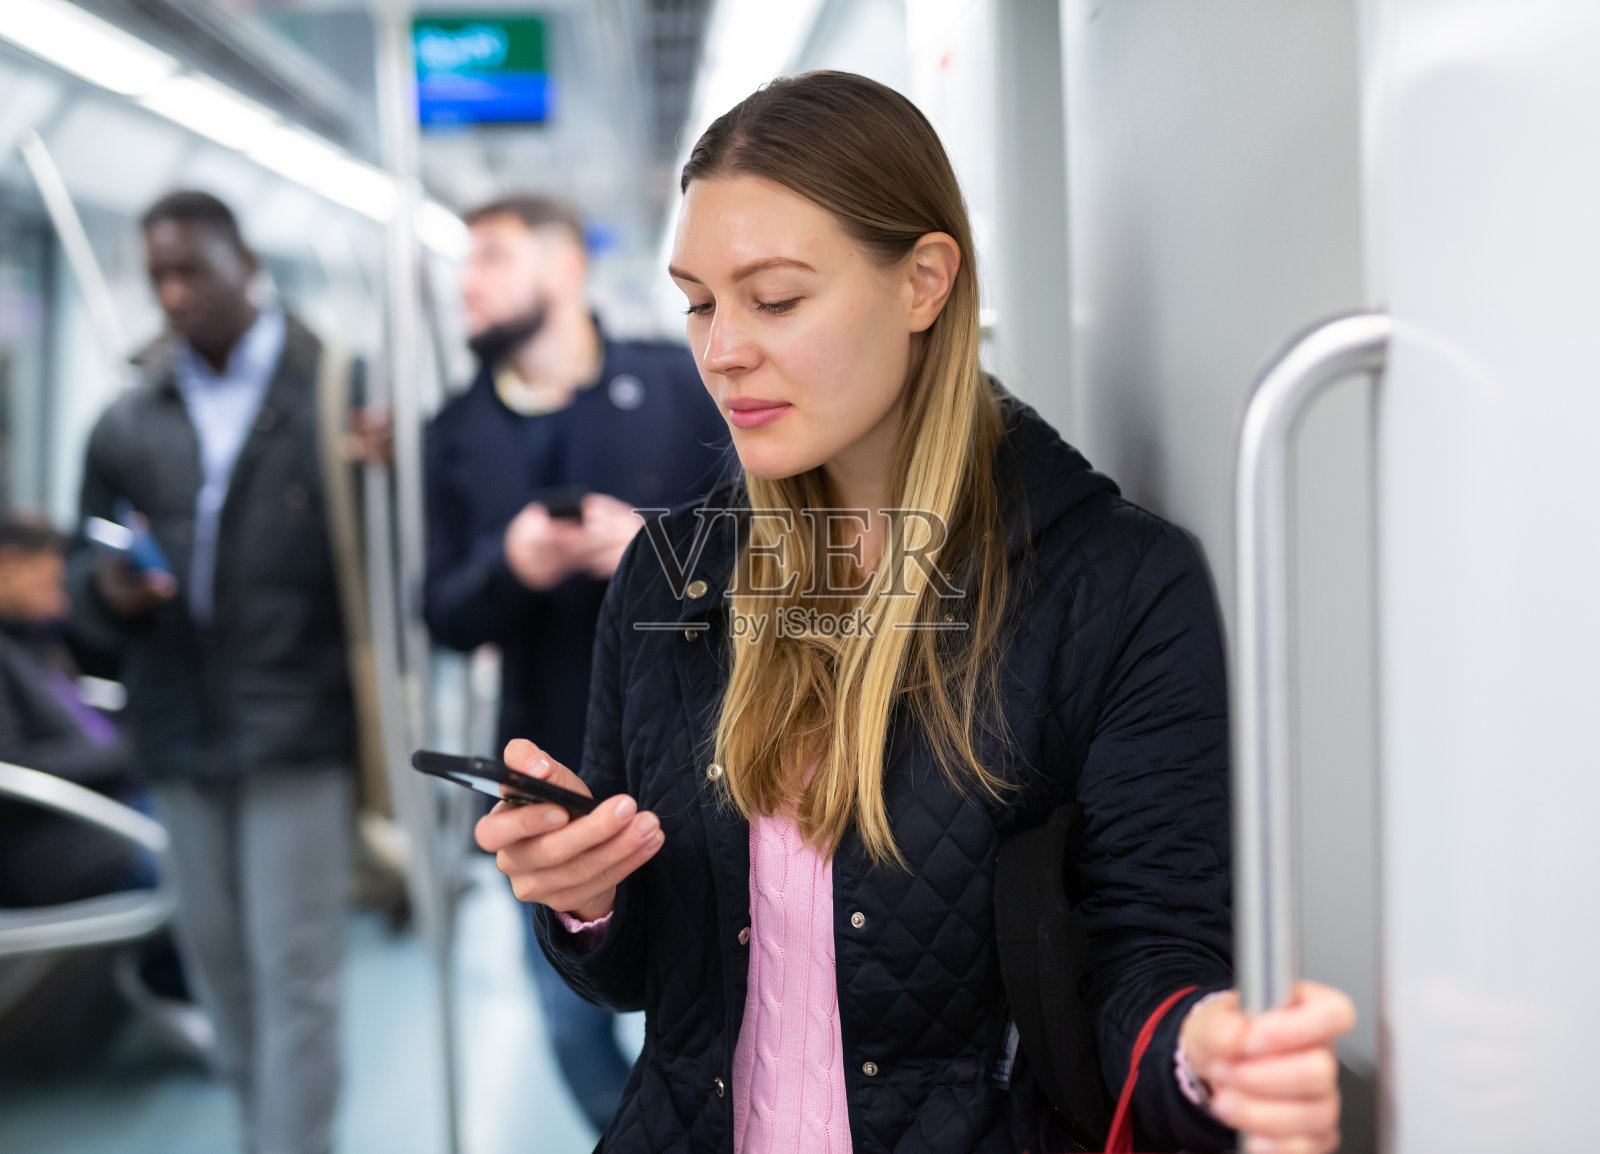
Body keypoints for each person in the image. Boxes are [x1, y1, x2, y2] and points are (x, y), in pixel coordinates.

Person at [476, 71, 1355, 1154]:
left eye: (776, 297)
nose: (721, 350)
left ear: (924, 282)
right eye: (699, 300)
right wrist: (584, 897)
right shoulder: (671, 574)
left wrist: (1205, 1049)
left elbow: (1148, 957)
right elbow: (645, 979)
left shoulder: (1113, 586)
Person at [424, 194, 729, 1131]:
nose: (467, 284)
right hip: (550, 761)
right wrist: (509, 565)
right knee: (570, 1016)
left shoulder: (680, 384)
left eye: (491, 260)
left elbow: (769, 549)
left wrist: (649, 547)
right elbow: (440, 612)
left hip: (709, 754)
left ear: (562, 271)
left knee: (714, 1004)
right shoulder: (455, 432)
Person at [69, 190, 363, 1154]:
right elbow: (81, 571)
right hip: (176, 723)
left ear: (246, 263)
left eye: (192, 269)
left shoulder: (338, 395)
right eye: (158, 276)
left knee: (296, 973)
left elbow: (392, 554)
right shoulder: (128, 419)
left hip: (295, 725)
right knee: (222, 970)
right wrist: (107, 589)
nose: (174, 293)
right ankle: (260, 1134)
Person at [0, 514, 146, 907]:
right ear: (8, 567)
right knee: (203, 868)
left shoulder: (31, 641)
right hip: (51, 844)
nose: (61, 604)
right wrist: (128, 754)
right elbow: (14, 766)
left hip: (103, 813)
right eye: (50, 584)